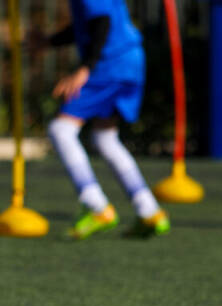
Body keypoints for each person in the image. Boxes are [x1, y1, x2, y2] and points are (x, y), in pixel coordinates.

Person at [42, 0, 170, 239]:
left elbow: (102, 20)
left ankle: (96, 205)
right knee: (105, 138)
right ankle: (149, 210)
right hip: (130, 61)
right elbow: (88, 24)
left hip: (109, 63)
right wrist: (50, 41)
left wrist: (85, 68)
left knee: (61, 129)